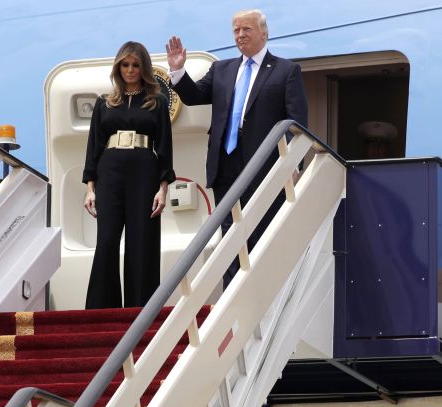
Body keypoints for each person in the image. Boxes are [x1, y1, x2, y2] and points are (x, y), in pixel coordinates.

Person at [166, 9, 308, 286]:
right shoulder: (222, 69)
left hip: (265, 166)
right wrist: (177, 70)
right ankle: (232, 302)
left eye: (247, 29)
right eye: (236, 30)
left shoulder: (286, 71)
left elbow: (297, 123)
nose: (240, 35)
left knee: (264, 232)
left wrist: (293, 163)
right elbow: (194, 96)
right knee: (230, 237)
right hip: (225, 164)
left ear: (264, 33)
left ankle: (265, 294)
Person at [82, 41, 176, 309]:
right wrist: (91, 188)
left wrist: (163, 188)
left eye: (135, 65)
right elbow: (93, 147)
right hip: (109, 173)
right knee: (107, 241)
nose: (130, 70)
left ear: (144, 68)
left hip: (144, 173)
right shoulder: (104, 103)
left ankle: (142, 310)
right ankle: (101, 311)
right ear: (118, 67)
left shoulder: (156, 102)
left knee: (142, 241)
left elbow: (165, 147)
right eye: (125, 65)